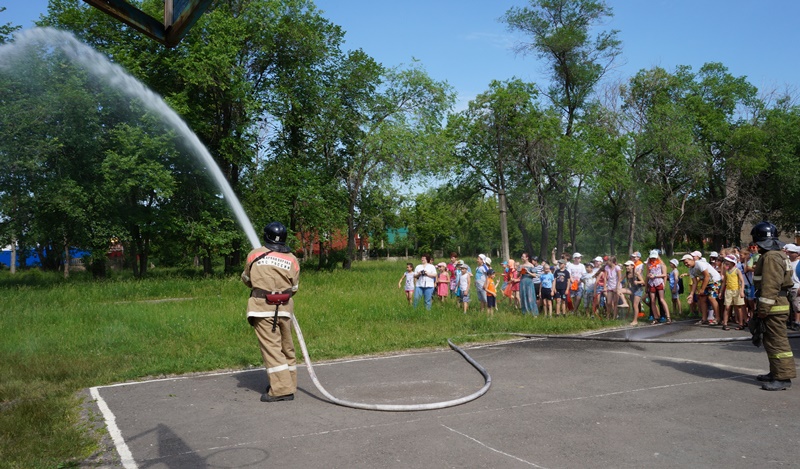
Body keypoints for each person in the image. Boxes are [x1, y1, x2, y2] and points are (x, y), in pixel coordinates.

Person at [242, 222, 300, 402]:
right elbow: (294, 288)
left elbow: (246, 279)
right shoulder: (292, 259)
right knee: (286, 347)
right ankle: (289, 383)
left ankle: (281, 389)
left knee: (272, 349)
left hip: (262, 308)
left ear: (266, 236)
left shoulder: (254, 254)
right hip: (284, 309)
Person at [750, 221, 796, 391]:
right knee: (770, 341)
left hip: (774, 307)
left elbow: (770, 286)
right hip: (776, 305)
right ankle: (776, 372)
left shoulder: (770, 257)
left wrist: (762, 310)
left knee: (777, 342)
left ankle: (782, 378)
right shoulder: (777, 255)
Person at [682, 253, 722, 325]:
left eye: (686, 262)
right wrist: (691, 294)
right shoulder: (691, 270)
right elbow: (694, 283)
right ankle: (704, 319)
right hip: (706, 281)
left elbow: (707, 276)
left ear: (691, 260)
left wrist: (702, 289)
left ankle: (717, 318)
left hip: (714, 279)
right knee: (702, 298)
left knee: (711, 298)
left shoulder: (699, 264)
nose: (686, 264)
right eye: (684, 263)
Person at [719, 254, 745, 331]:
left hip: (737, 290)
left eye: (728, 261)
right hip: (728, 291)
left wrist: (741, 291)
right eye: (726, 261)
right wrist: (721, 292)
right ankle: (725, 323)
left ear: (733, 263)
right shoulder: (726, 271)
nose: (726, 263)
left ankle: (741, 323)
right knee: (727, 307)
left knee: (738, 307)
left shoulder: (737, 270)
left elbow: (742, 281)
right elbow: (724, 282)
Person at [646, 250, 671, 325]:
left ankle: (668, 317)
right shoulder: (648, 264)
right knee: (652, 301)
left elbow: (664, 274)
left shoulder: (661, 264)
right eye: (652, 258)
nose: (653, 259)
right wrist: (648, 276)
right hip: (651, 283)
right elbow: (647, 274)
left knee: (662, 299)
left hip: (659, 282)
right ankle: (655, 317)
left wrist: (655, 276)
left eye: (654, 258)